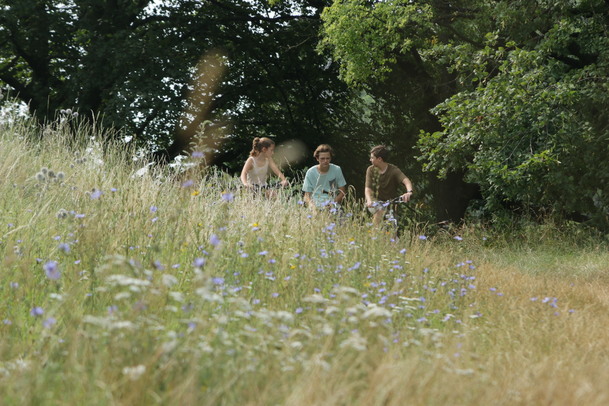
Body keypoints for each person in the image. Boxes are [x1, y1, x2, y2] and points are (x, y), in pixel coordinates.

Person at [365, 145, 413, 225]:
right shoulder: (371, 170)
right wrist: (369, 200)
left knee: (393, 226)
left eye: (372, 158)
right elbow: (368, 188)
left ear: (379, 159)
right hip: (375, 202)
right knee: (379, 211)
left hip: (390, 204)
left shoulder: (393, 170)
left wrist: (409, 192)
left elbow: (406, 181)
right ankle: (374, 235)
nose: (370, 160)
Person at [302, 144, 347, 210]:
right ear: (317, 159)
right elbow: (307, 195)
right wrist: (312, 206)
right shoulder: (310, 172)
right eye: (322, 159)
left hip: (332, 205)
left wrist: (332, 203)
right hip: (315, 205)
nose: (325, 161)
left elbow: (342, 192)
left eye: (327, 158)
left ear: (330, 158)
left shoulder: (336, 170)